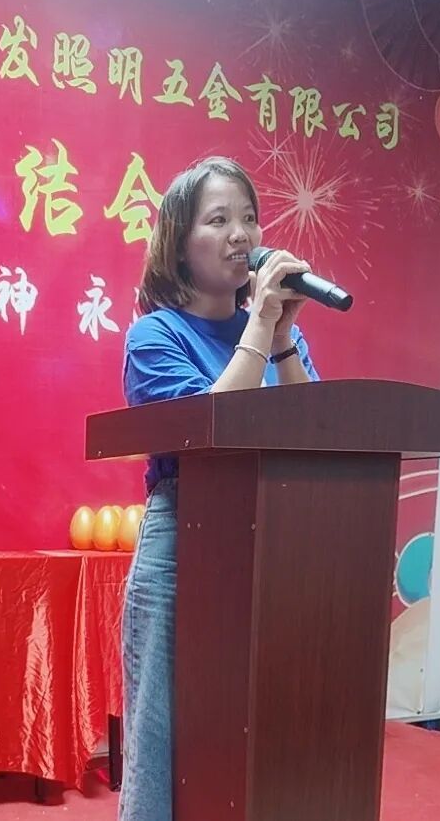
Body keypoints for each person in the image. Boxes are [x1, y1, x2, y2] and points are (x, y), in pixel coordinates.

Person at [119, 156, 321, 821]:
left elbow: (316, 430)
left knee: (256, 730)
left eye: (249, 218)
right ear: (180, 244)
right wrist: (259, 325)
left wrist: (282, 336)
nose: (242, 234)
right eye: (218, 220)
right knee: (163, 731)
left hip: (273, 542)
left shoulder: (279, 333)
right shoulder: (155, 335)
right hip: (184, 542)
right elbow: (211, 429)